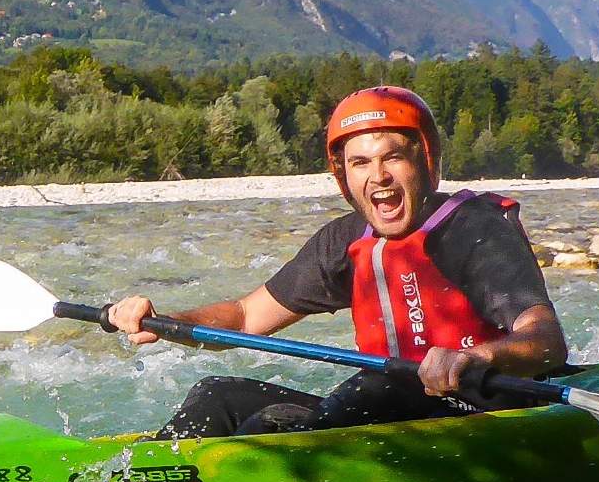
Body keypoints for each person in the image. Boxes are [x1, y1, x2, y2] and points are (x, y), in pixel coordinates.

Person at [109, 86, 569, 439]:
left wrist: (476, 356)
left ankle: (250, 479)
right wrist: (167, 322)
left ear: (425, 160)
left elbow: (546, 340)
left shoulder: (476, 230)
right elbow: (247, 317)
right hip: (383, 410)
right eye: (361, 163)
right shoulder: (345, 241)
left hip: (482, 409)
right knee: (216, 396)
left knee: (375, 387)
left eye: (393, 157)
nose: (379, 176)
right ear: (344, 175)